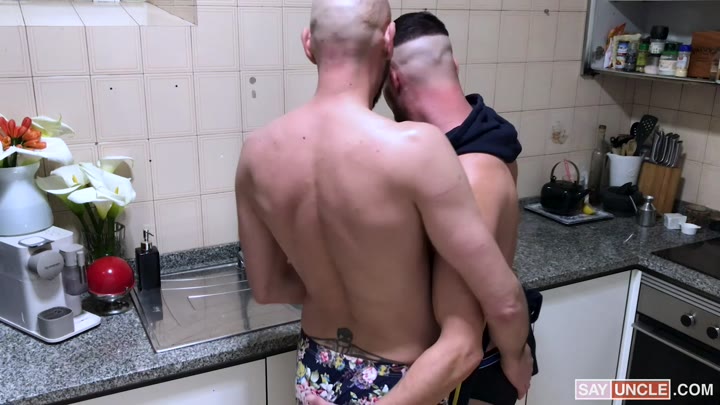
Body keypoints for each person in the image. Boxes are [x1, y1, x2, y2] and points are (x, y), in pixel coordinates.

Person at [234, 0, 530, 404]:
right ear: (389, 40)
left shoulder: (255, 154)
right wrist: (516, 355)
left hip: (315, 372)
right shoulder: (418, 149)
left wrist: (334, 284)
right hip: (404, 385)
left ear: (308, 44)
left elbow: (267, 288)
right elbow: (503, 303)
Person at [381, 12, 542, 405]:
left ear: (394, 81)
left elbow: (463, 340)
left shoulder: (470, 175)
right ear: (453, 64)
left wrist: (515, 354)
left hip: (470, 370)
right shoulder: (483, 133)